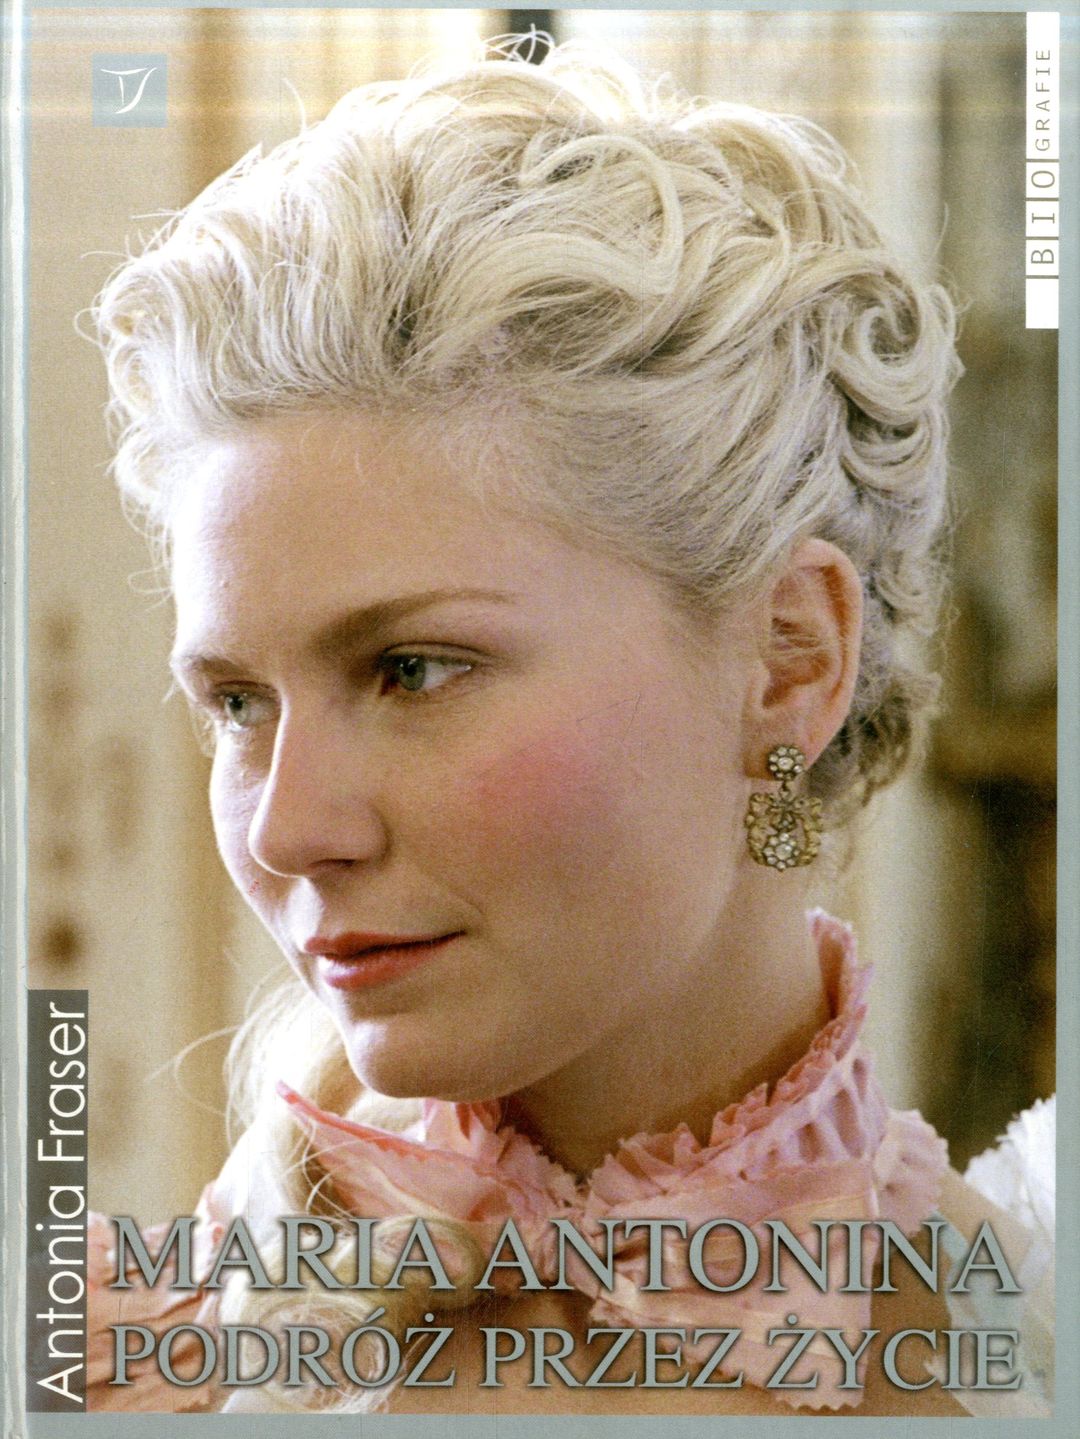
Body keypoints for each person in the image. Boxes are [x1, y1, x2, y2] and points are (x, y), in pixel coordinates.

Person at [86, 42, 1046, 1416]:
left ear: (790, 659)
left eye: (413, 669)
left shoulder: (1013, 1365)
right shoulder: (155, 1355)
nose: (289, 829)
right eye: (239, 702)